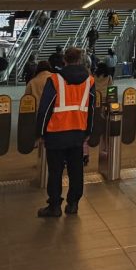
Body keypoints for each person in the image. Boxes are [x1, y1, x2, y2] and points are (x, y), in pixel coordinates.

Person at [35, 47, 95, 218]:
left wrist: (40, 132)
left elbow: (45, 109)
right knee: (76, 170)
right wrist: (88, 131)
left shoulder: (54, 80)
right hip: (78, 133)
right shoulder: (89, 81)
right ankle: (73, 204)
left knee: (55, 171)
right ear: (80, 60)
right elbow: (91, 108)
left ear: (65, 60)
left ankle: (54, 206)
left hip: (56, 133)